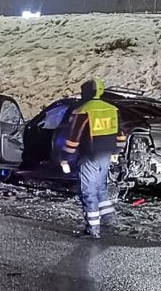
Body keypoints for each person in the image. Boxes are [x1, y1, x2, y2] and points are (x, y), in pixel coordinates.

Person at [59, 78, 127, 239]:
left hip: (89, 156)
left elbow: (73, 139)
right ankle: (109, 219)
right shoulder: (112, 109)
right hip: (106, 155)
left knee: (88, 192)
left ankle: (93, 230)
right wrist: (116, 152)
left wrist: (65, 158)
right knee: (100, 188)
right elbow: (121, 134)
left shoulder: (82, 111)